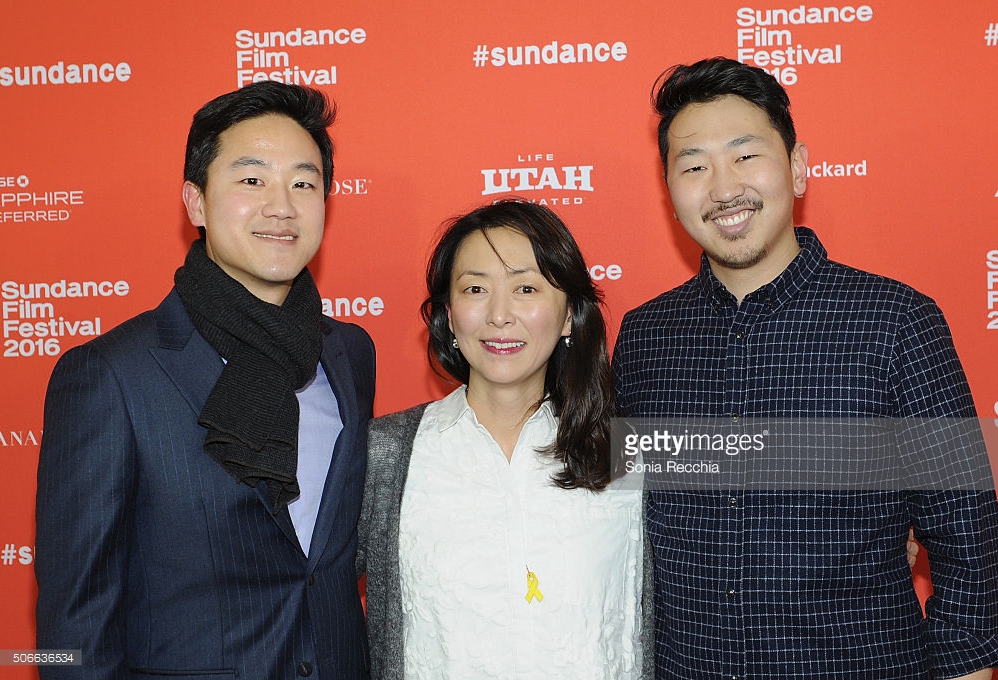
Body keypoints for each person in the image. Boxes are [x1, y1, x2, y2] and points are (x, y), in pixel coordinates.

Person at [611, 57, 998, 679]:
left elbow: (967, 546)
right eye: (694, 166)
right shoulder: (644, 338)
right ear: (670, 190)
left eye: (745, 156)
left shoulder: (897, 322)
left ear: (797, 168)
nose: (722, 188)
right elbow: (624, 526)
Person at [35, 81, 375, 679]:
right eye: (252, 180)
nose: (282, 205)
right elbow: (71, 628)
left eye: (304, 182)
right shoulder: (110, 375)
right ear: (195, 202)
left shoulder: (348, 354)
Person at [357, 201, 652, 679]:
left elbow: (793, 460)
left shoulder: (625, 450)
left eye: (526, 288)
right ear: (449, 316)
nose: (499, 315)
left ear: (567, 318)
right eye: (476, 289)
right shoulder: (387, 453)